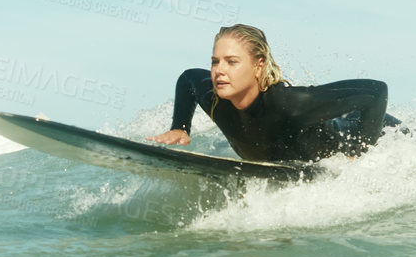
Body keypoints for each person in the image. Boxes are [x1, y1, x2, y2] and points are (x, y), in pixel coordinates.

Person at [151, 24, 394, 164]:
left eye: (232, 62)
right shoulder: (216, 99)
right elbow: (188, 78)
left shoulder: (288, 105)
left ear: (258, 65)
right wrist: (181, 126)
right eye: (215, 62)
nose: (219, 71)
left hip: (382, 132)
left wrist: (359, 157)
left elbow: (376, 91)